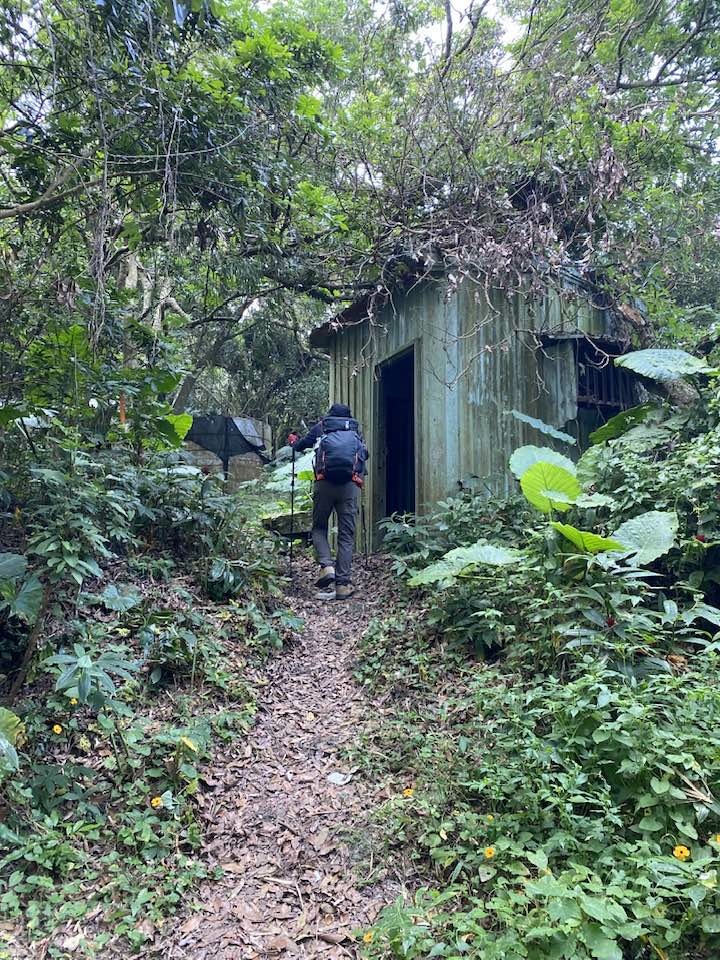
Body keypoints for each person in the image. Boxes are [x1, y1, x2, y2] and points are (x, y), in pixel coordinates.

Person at [288, 403, 367, 601]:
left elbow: (302, 445)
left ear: (330, 415)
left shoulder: (323, 426)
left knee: (319, 528)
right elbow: (364, 455)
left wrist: (293, 443)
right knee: (346, 536)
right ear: (349, 416)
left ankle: (327, 565)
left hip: (324, 484)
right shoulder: (355, 430)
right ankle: (342, 585)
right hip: (349, 486)